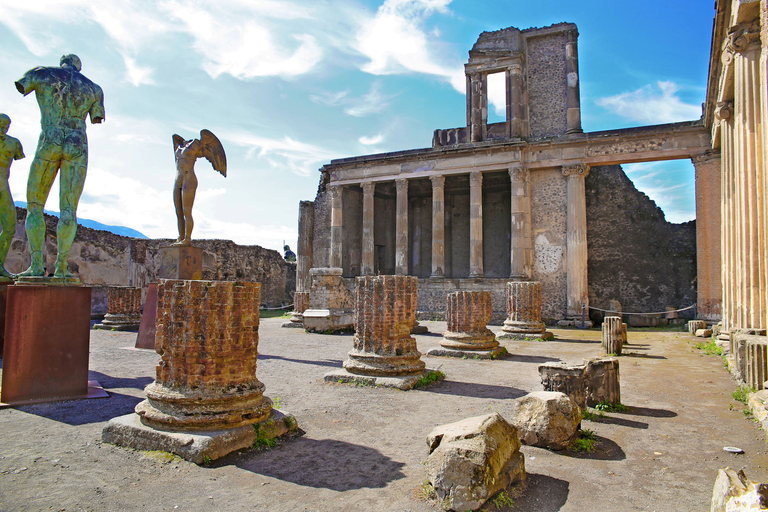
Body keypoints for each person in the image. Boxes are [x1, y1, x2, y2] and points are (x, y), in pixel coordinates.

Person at [15, 54, 104, 278]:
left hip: (50, 137)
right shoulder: (93, 88)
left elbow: (22, 85)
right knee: (69, 211)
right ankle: (62, 266)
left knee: (34, 206)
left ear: (63, 61)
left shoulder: (42, 72)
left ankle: (36, 265)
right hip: (77, 142)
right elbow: (96, 117)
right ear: (79, 66)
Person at [171, 130, 226, 246]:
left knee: (187, 211)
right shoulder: (178, 144)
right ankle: (180, 237)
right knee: (178, 212)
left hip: (188, 178)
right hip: (178, 179)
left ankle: (187, 239)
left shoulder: (196, 144)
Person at [0, 114, 24, 279]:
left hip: (3, 186)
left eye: (6, 126)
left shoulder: (13, 143)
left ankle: (0, 266)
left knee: (9, 227)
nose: (3, 128)